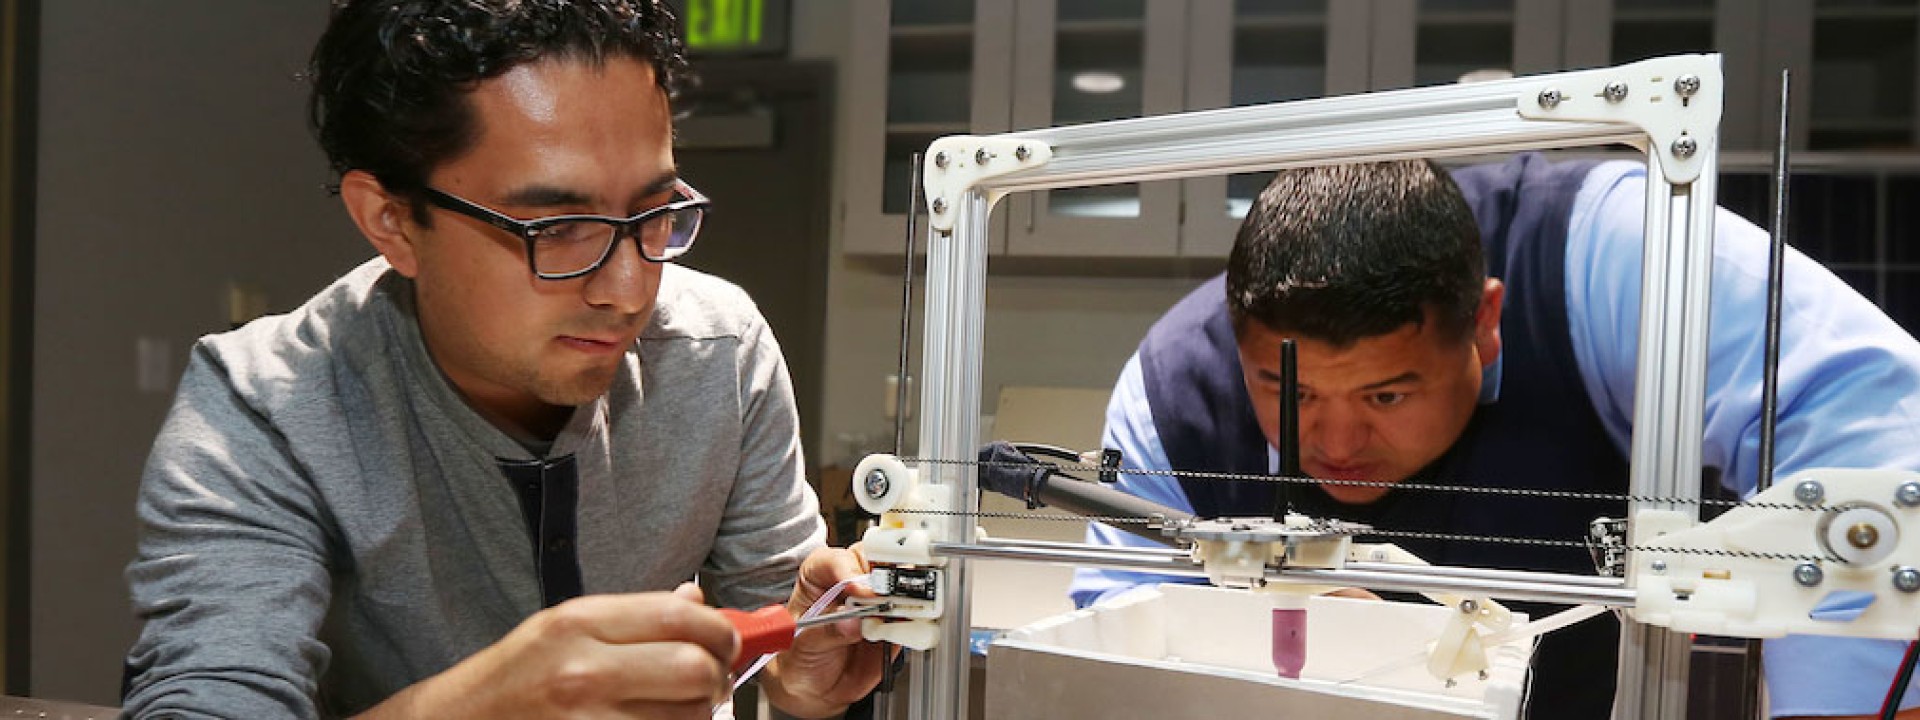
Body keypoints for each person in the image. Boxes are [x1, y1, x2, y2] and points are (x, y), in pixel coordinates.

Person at [120, 2, 884, 717]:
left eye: (654, 214)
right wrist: (487, 703)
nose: (628, 290)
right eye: (554, 228)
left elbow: (778, 631)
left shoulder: (719, 350)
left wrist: (803, 672)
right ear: (389, 219)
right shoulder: (266, 410)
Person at [1071, 155, 1920, 718]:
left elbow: (1876, 463)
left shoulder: (1619, 260)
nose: (1330, 441)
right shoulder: (1172, 393)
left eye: (1386, 392)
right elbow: (1112, 624)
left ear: (1484, 324)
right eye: (1282, 390)